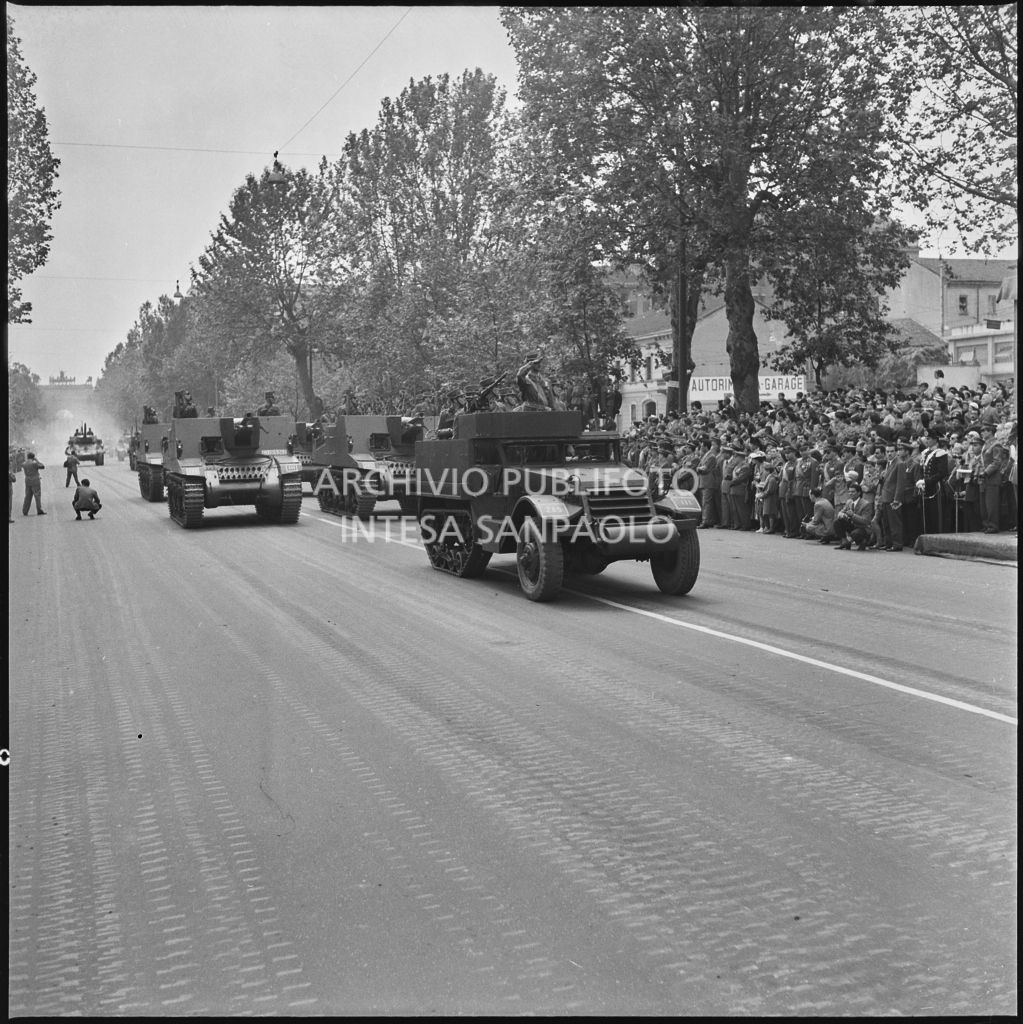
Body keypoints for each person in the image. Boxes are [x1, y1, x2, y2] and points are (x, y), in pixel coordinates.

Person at [833, 481, 875, 550]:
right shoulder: (849, 501)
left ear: (859, 493)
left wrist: (853, 515)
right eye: (849, 492)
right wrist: (841, 514)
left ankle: (862, 541)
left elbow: (866, 521)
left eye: (853, 492)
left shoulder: (866, 504)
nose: (850, 493)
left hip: (863, 528)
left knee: (855, 533)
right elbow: (842, 511)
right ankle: (844, 542)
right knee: (837, 522)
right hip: (853, 525)